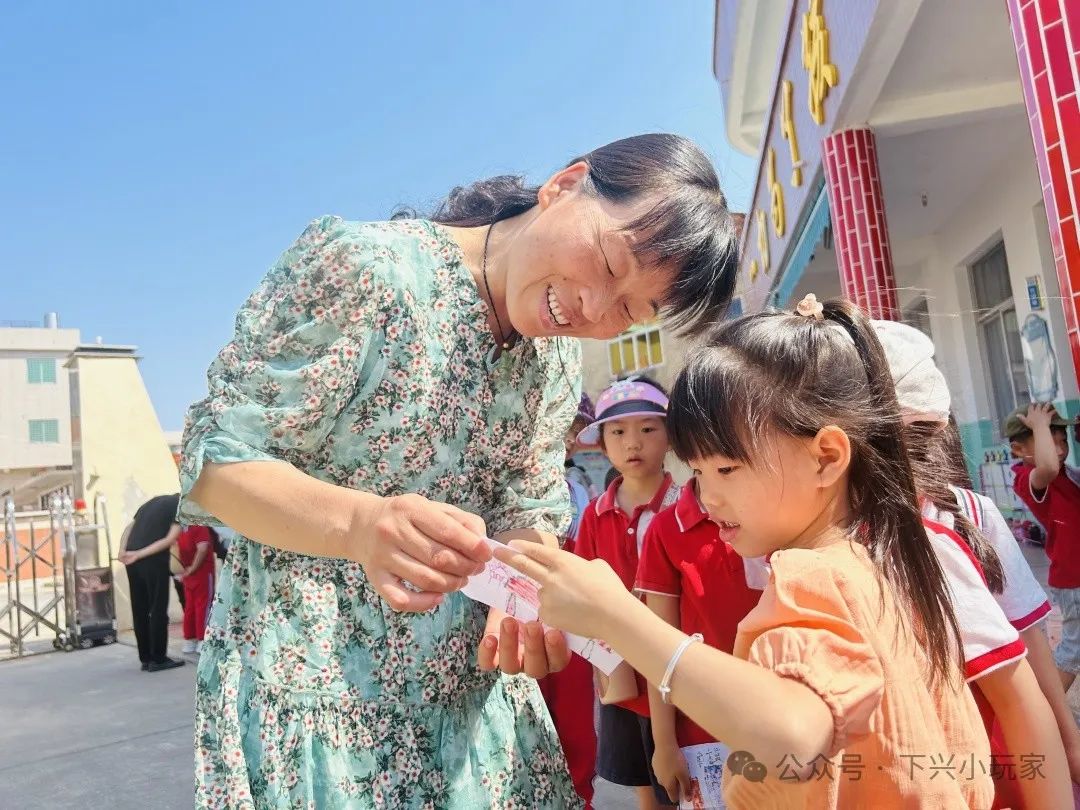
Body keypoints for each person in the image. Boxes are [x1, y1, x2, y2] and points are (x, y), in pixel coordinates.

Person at [178, 133, 741, 807]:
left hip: (474, 717)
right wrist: (361, 524)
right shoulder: (369, 269)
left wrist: (527, 599)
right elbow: (217, 458)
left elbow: (527, 511)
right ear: (564, 184)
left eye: (628, 311)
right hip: (318, 703)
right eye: (607, 260)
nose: (593, 307)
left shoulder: (556, 364)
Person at [498, 298, 996, 808]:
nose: (708, 497)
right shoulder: (880, 560)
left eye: (727, 470)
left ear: (825, 457)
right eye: (697, 473)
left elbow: (794, 736)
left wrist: (617, 617)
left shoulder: (813, 576)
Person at [875, 319, 1072, 807]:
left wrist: (1067, 736)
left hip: (995, 758)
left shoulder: (968, 514)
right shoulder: (831, 540)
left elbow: (1025, 643)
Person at [574, 377, 681, 809]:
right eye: (617, 432)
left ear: (670, 437)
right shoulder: (595, 516)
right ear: (601, 444)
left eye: (648, 429)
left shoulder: (686, 506)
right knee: (641, 779)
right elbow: (581, 587)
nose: (632, 442)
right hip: (619, 670)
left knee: (684, 778)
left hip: (675, 663)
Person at [635, 476, 764, 805]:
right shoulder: (667, 529)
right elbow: (658, 643)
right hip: (703, 736)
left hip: (782, 727)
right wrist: (663, 743)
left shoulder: (781, 514)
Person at [1006, 402, 1080, 692]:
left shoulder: (1066, 475)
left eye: (1063, 442)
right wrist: (1039, 425)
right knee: (1073, 653)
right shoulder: (1029, 478)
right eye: (1050, 441)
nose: (1059, 450)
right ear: (1019, 450)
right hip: (1075, 580)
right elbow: (1047, 464)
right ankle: (1051, 712)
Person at [117, 493, 185, 672]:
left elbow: (129, 528)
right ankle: (159, 658)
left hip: (131, 558)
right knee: (157, 609)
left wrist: (123, 550)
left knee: (139, 608)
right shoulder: (182, 505)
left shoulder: (152, 502)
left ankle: (145, 658)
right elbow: (169, 540)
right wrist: (140, 554)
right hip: (152, 560)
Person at [176, 524, 216, 654]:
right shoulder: (199, 527)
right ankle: (202, 640)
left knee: (190, 608)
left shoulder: (180, 530)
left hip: (187, 573)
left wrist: (184, 570)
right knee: (203, 606)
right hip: (201, 572)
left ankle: (189, 640)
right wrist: (193, 568)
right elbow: (202, 548)